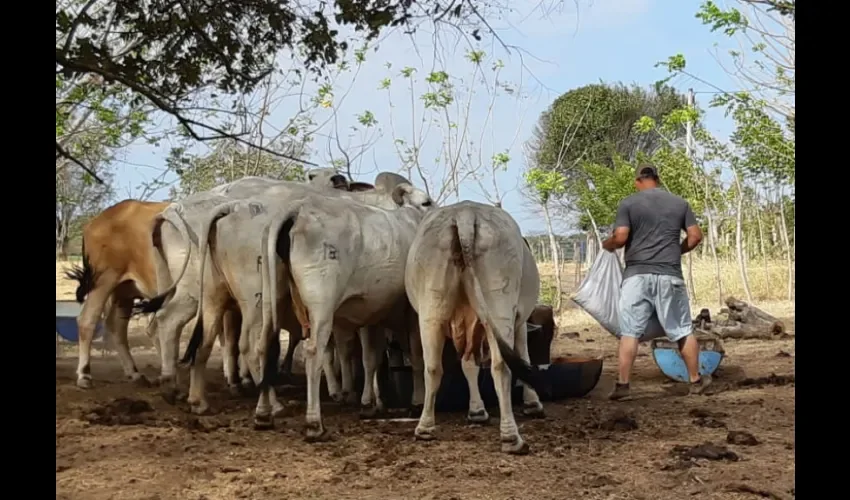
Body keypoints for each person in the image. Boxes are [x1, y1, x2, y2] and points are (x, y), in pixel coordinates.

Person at [601, 164, 709, 400]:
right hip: (670, 274)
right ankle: (696, 381)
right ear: (657, 180)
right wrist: (676, 251)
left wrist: (607, 245)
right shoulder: (679, 203)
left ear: (638, 181)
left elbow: (620, 237)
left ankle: (623, 387)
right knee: (682, 330)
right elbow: (695, 236)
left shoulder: (629, 203)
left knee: (630, 332)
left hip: (636, 276)